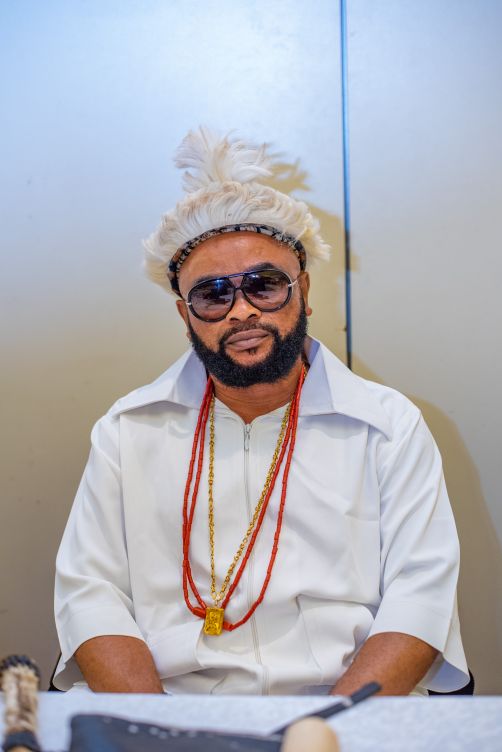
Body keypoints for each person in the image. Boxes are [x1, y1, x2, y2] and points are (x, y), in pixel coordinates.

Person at [54, 128, 468, 696]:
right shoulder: (127, 429)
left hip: (345, 710)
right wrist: (157, 729)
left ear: (303, 290)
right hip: (171, 707)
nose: (242, 311)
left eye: (264, 285)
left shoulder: (388, 426)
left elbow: (420, 596)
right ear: (185, 314)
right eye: (213, 295)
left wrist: (327, 729)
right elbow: (90, 594)